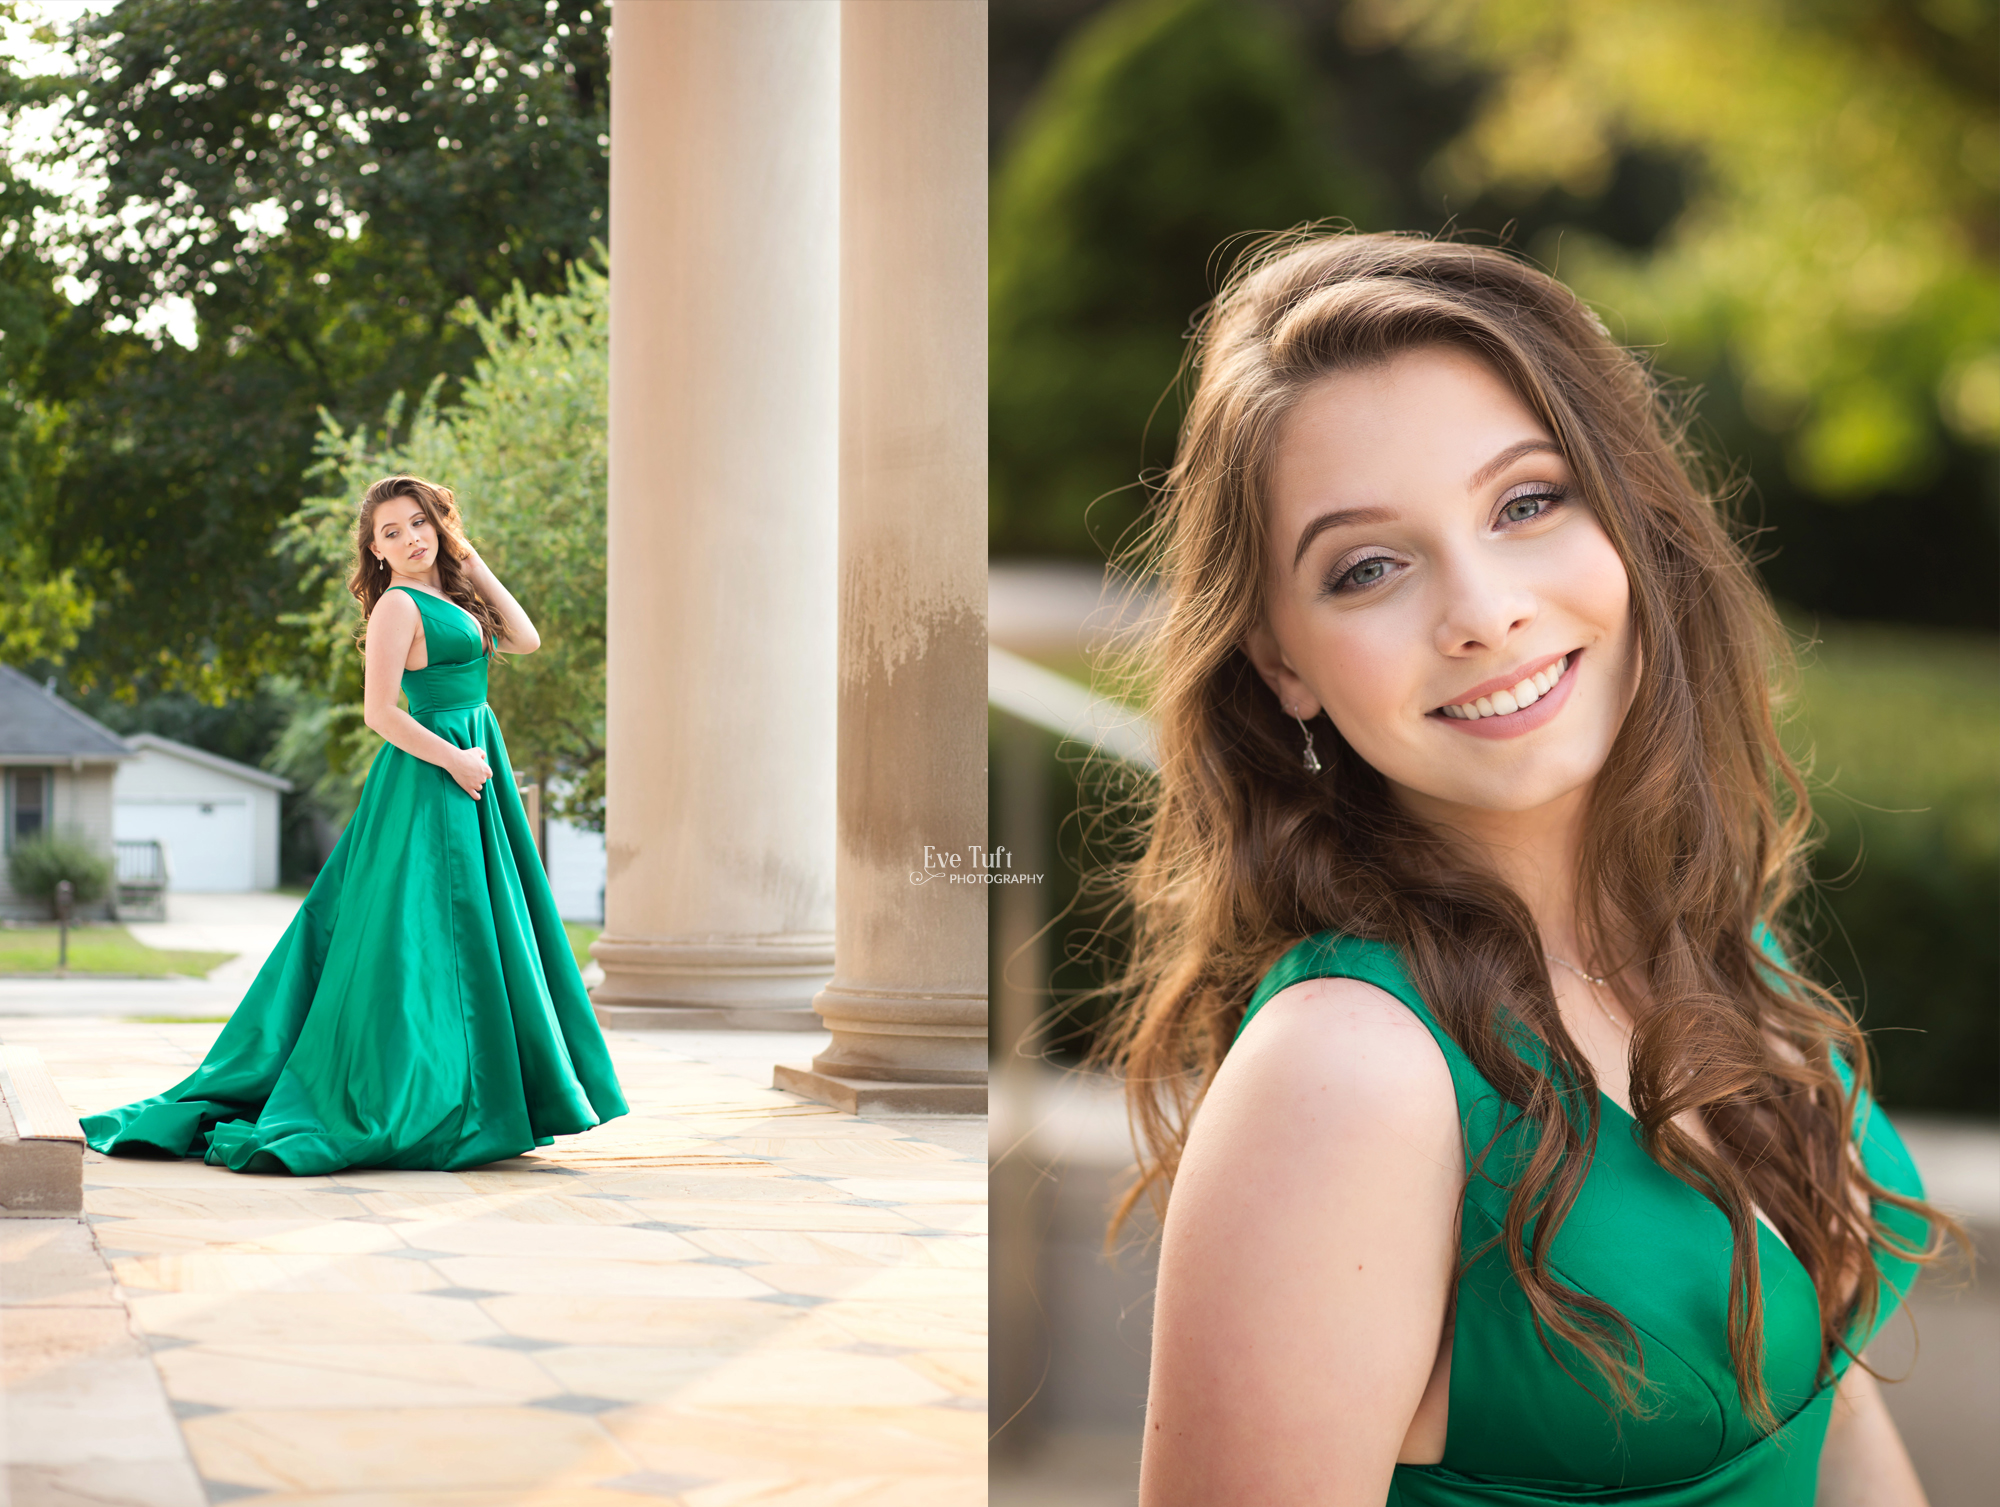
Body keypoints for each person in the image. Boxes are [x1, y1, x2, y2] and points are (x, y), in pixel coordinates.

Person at [1096, 232, 1967, 1506]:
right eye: (1367, 567)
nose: (1481, 610)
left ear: (1628, 517)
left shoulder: (1719, 943)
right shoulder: (1342, 1077)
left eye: (1524, 503)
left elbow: (1823, 1415)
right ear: (1282, 664)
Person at [83, 475, 627, 1173]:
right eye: (391, 533)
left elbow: (526, 637)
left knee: (472, 932)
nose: (410, 539)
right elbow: (380, 713)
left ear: (438, 524)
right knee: (425, 935)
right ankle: (430, 1099)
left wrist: (468, 557)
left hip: (470, 761)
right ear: (375, 551)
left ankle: (478, 1095)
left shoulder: (450, 595)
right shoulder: (398, 606)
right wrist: (454, 760)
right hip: (434, 774)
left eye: (419, 522)